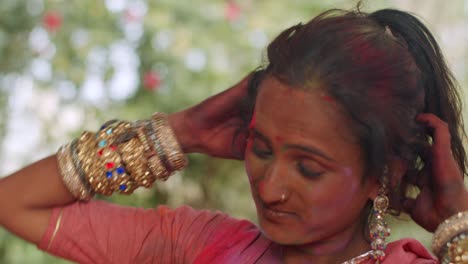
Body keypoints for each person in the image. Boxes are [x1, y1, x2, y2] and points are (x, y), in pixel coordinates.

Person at [0, 7, 467, 264]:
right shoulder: (200, 245)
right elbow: (14, 202)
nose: (269, 187)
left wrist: (458, 226)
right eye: (260, 149)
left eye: (307, 167)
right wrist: (177, 134)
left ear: (382, 174)